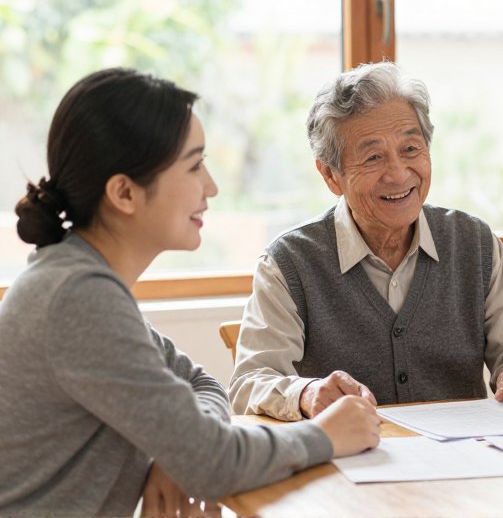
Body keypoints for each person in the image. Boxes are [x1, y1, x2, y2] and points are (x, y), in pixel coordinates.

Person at [0, 68, 380, 517]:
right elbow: (215, 462)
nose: (212, 187)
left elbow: (202, 384)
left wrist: (179, 452)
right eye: (195, 165)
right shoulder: (78, 299)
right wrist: (328, 435)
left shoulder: (79, 280)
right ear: (124, 193)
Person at [229, 61, 503, 422]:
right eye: (373, 157)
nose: (399, 174)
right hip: (349, 463)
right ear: (330, 175)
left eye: (411, 150)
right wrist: (306, 393)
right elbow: (250, 383)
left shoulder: (475, 244)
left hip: (466, 463)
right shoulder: (289, 262)